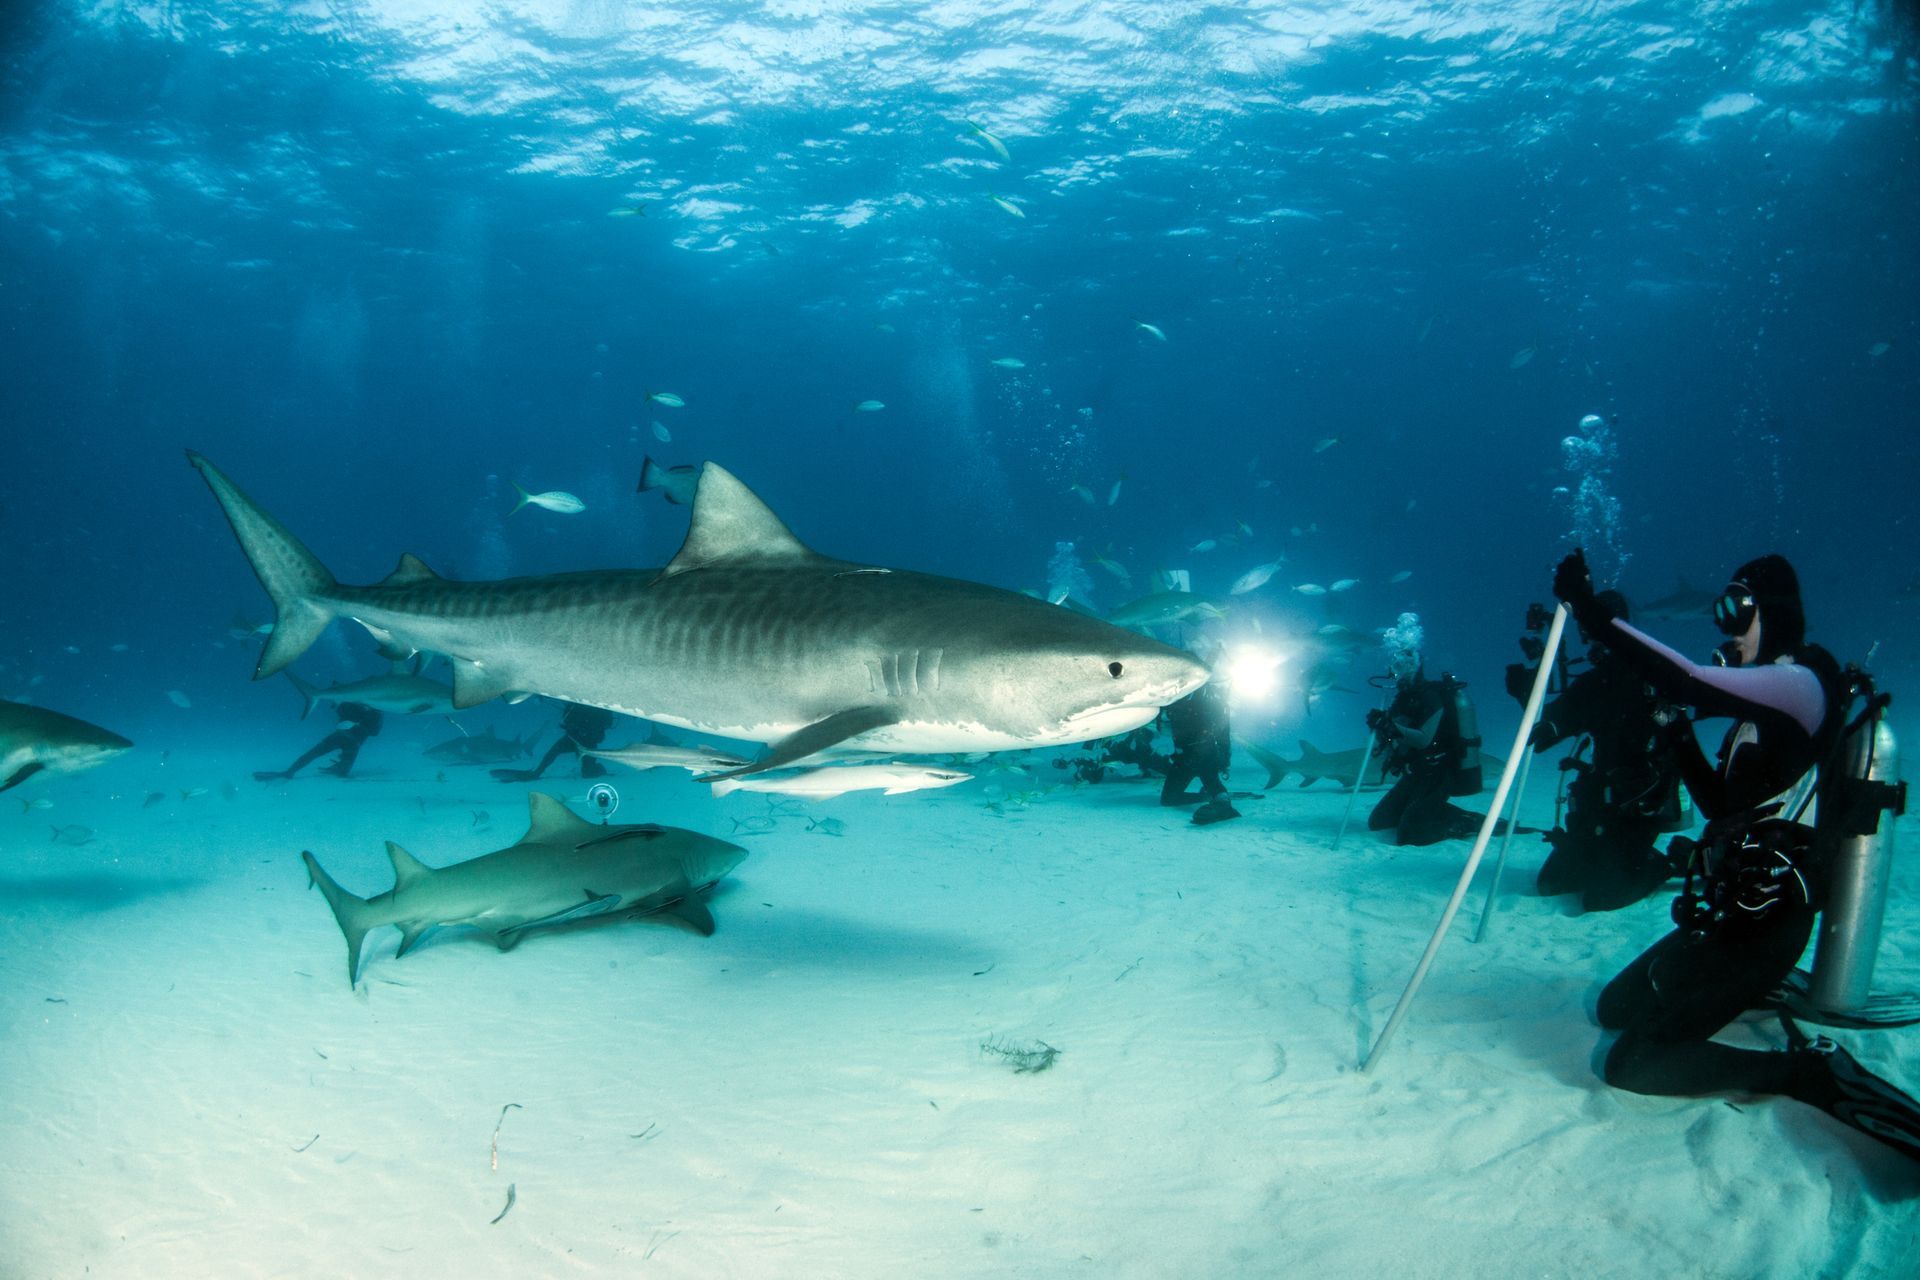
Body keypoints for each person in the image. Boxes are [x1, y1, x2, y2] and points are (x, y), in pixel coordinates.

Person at [1553, 547, 1920, 1162]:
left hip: (1771, 928)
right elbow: (1725, 808)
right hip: (1730, 916)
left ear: (1772, 612)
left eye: (1736, 609)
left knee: (1634, 1062)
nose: (1725, 626)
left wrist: (1590, 611)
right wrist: (1674, 732)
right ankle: (1752, 994)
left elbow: (1688, 679)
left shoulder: (1802, 684)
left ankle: (1803, 1074)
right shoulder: (1762, 708)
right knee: (1615, 1007)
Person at [1506, 591, 1684, 913]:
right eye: (1587, 634)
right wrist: (1525, 695)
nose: (1590, 642)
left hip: (1639, 805)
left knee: (1600, 897)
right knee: (1551, 883)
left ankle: (1662, 864)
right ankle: (1607, 853)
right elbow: (1546, 730)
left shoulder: (1651, 676)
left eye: (1596, 632)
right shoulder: (1593, 681)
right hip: (1599, 804)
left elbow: (1664, 734)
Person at [1366, 646, 1480, 846]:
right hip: (1417, 772)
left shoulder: (1431, 696)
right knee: (1379, 822)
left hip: (1440, 771)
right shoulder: (1401, 700)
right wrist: (1379, 728)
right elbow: (1388, 744)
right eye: (1396, 665)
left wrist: (1392, 726)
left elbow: (1423, 739)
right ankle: (1429, 810)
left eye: (1405, 665)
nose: (1400, 671)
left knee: (1411, 835)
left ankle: (1468, 822)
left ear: (1417, 666)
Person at [254, 701, 383, 781]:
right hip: (354, 741)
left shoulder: (352, 703)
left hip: (341, 735)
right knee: (343, 772)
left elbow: (341, 714)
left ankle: (289, 772)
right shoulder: (376, 710)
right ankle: (339, 767)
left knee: (313, 753)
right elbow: (374, 733)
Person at [1159, 679, 1234, 816]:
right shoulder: (1171, 701)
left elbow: (1223, 733)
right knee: (1168, 799)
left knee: (1212, 782)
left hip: (1202, 755)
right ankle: (1210, 796)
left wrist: (1224, 760)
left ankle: (1219, 798)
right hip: (1186, 757)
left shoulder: (1212, 703)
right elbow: (1224, 736)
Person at [492, 700, 615, 783]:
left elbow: (605, 726)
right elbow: (566, 721)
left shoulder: (598, 707)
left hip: (588, 742)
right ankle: (536, 773)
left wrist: (587, 729)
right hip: (572, 738)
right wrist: (571, 727)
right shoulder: (574, 705)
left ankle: (599, 768)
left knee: (588, 774)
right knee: (552, 752)